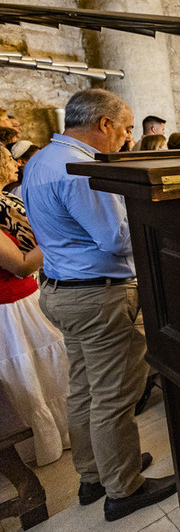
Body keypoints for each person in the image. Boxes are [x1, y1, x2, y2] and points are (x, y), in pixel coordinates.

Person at [22, 88, 176, 521]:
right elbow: (116, 239)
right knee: (114, 395)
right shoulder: (82, 169)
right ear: (104, 124)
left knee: (85, 390)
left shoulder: (40, 161)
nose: (128, 138)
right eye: (126, 129)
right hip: (98, 294)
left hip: (59, 289)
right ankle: (123, 488)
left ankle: (94, 475)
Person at [0, 146, 70, 466]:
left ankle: (66, 434)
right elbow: (22, 265)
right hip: (9, 311)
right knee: (31, 376)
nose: (15, 164)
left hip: (26, 299)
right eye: (7, 159)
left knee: (51, 371)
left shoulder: (7, 203)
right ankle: (45, 442)